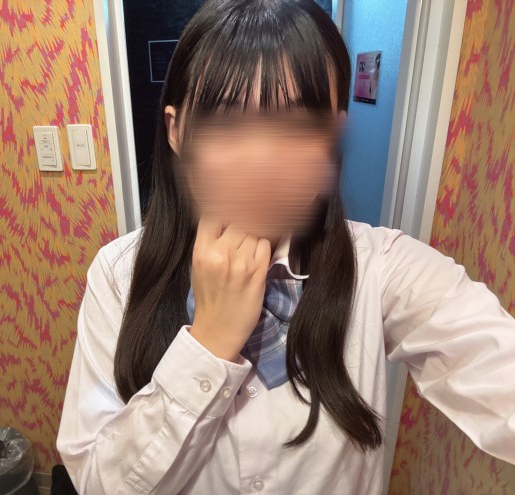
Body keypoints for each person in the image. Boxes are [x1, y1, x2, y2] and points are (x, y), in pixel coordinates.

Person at [56, 1, 515, 493]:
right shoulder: (118, 273)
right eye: (226, 122)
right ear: (176, 131)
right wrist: (208, 344)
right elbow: (96, 483)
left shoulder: (382, 268)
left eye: (297, 125)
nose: (261, 160)